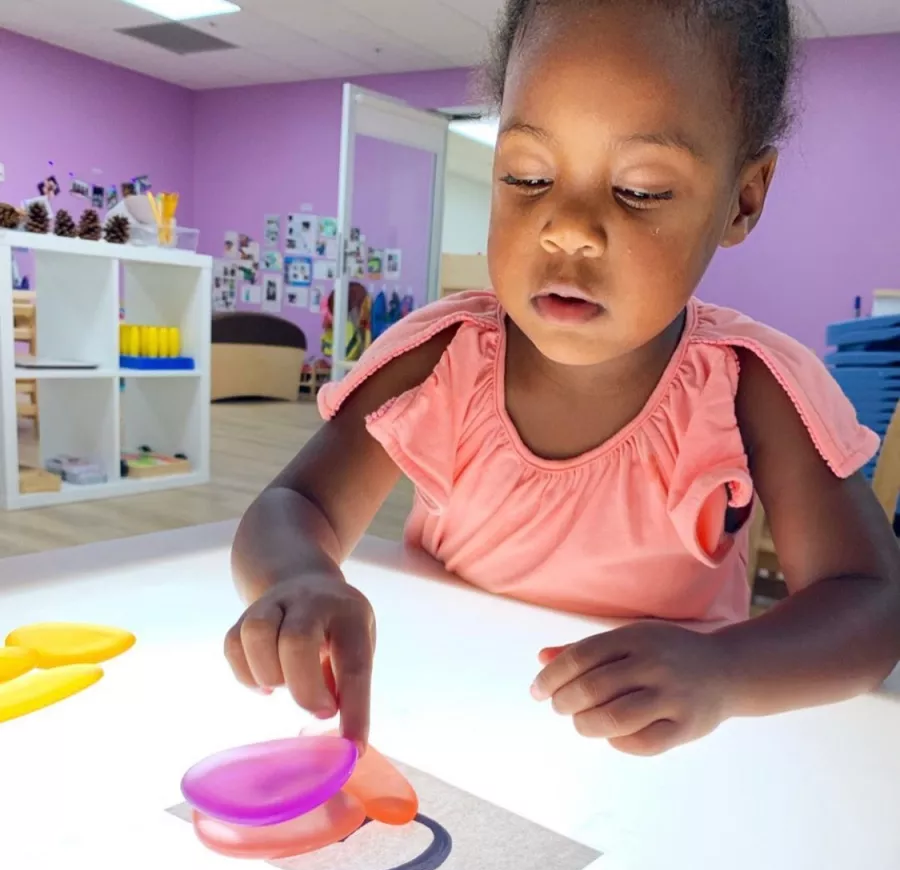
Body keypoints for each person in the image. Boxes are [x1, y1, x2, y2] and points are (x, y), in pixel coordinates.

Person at [225, 0, 900, 757]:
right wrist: (299, 575)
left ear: (742, 197)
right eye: (528, 175)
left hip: (658, 762)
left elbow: (871, 605)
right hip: (448, 729)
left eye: (640, 188)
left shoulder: (751, 389)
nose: (567, 226)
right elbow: (292, 503)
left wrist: (723, 671)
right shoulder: (443, 358)